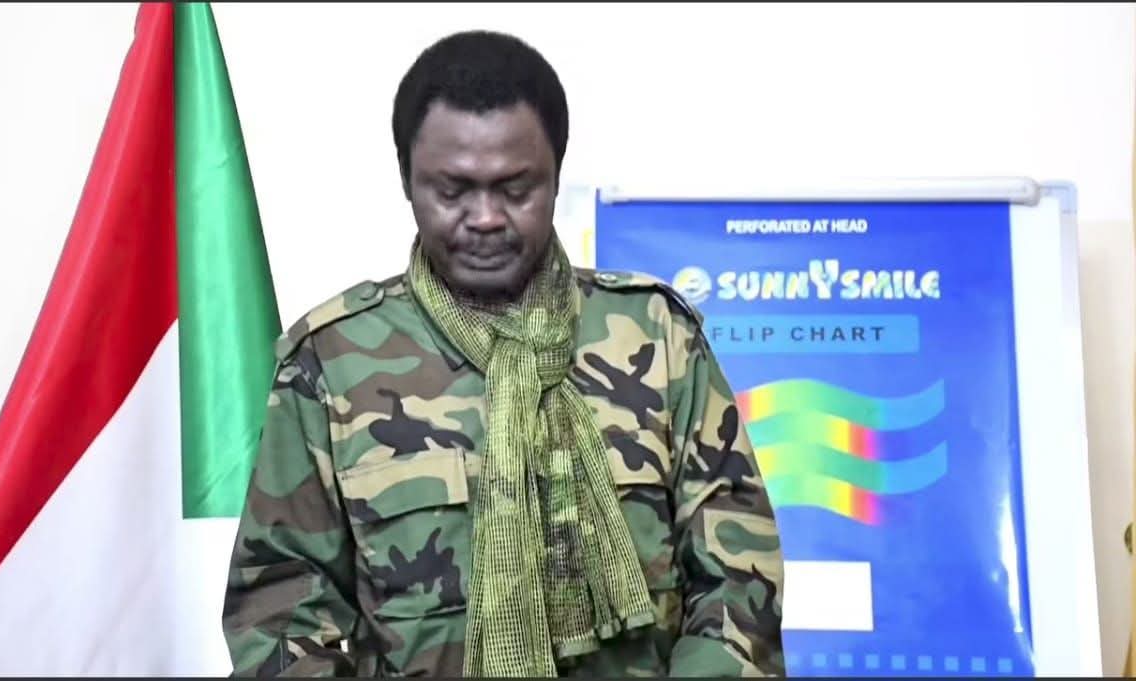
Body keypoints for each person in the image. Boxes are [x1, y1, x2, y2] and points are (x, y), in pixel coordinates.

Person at [222, 29, 785, 678]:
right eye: (453, 190)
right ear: (407, 180)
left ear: (556, 178)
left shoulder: (657, 337)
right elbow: (280, 611)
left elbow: (738, 578)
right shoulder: (331, 363)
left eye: (516, 189)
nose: (486, 216)